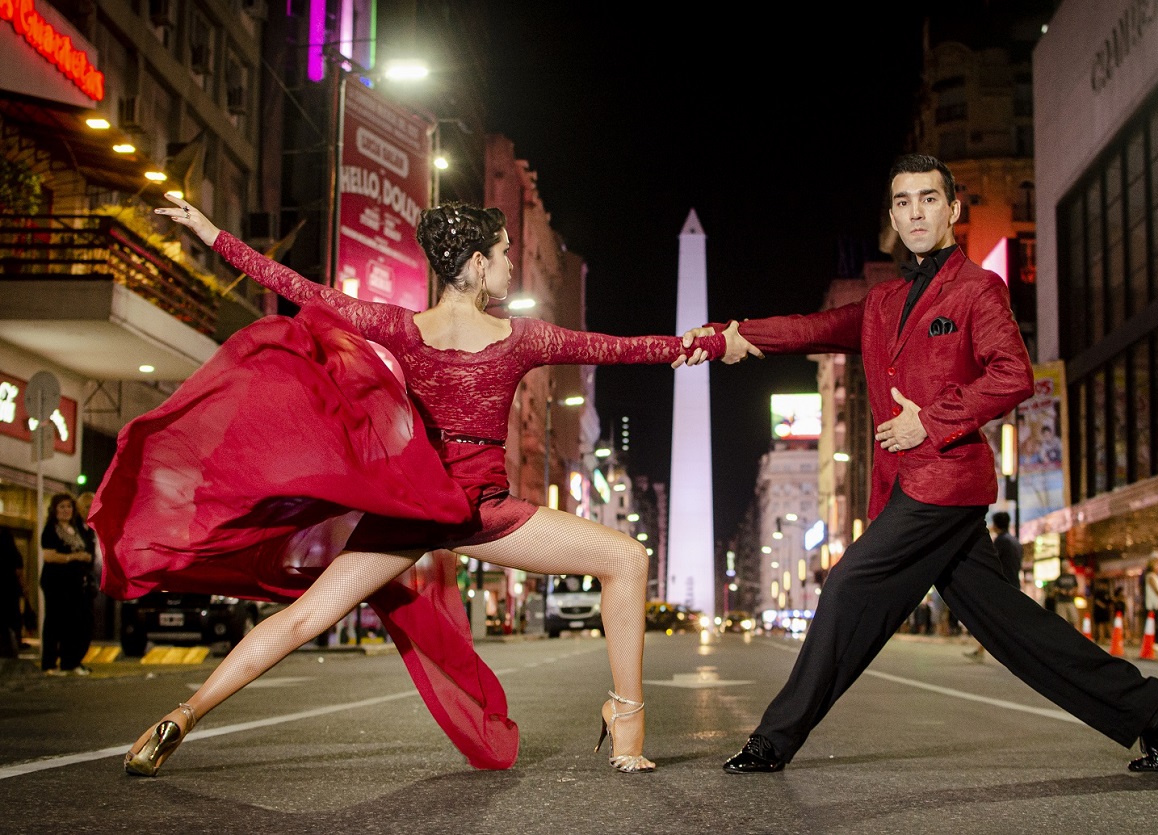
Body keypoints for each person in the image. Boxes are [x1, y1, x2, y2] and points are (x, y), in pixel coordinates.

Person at [94, 195, 729, 777]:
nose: (513, 267)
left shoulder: (401, 325)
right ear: (479, 264)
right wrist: (704, 344)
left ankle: (182, 716)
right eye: (507, 254)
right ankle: (625, 726)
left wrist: (213, 234)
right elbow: (623, 349)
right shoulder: (520, 339)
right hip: (481, 514)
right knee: (626, 557)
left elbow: (297, 288)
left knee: (298, 621)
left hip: (409, 512)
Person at [682, 153, 1158, 774]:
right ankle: (1151, 707)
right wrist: (730, 335)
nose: (915, 211)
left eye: (928, 198)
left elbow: (1014, 376)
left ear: (952, 210)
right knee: (1009, 625)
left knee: (847, 587)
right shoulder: (883, 302)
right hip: (907, 485)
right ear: (893, 217)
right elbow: (812, 328)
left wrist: (930, 416)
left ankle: (775, 739)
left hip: (944, 480)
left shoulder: (979, 289)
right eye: (902, 201)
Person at [39, 493, 96, 676]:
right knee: (55, 623)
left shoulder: (77, 529)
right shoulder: (50, 529)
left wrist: (86, 557)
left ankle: (70, 661)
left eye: (69, 507)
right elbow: (48, 556)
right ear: (54, 510)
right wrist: (74, 557)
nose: (66, 511)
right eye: (62, 507)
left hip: (76, 585)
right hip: (56, 583)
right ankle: (49, 663)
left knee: (75, 624)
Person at [964, 510, 1021, 661]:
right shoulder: (1015, 542)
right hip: (1014, 584)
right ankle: (982, 650)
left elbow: (992, 562)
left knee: (990, 619)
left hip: (1002, 586)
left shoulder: (1001, 541)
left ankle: (985, 651)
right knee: (1006, 621)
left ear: (996, 525)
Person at [0, 527, 24, 658]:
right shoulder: (13, 553)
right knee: (12, 618)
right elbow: (19, 572)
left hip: (5, 590)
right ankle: (13, 646)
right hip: (11, 589)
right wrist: (24, 588)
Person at [1141, 557, 1158, 650]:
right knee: (1155, 624)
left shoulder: (1155, 576)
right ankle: (1154, 642)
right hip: (1152, 604)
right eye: (1157, 565)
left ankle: (1156, 641)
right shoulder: (1150, 576)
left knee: (1157, 624)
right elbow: (1155, 588)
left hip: (1157, 604)